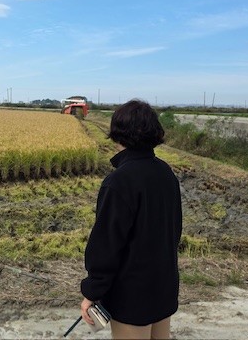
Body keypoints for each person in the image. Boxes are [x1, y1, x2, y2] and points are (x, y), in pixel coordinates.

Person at [80, 99, 182, 339]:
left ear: (118, 134)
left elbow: (106, 245)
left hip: (132, 295)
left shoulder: (120, 181)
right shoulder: (165, 172)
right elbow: (174, 230)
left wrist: (92, 291)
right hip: (163, 287)